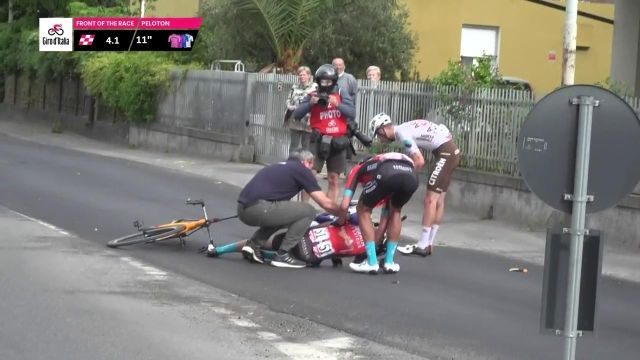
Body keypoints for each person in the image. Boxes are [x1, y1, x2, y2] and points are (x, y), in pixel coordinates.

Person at [368, 113, 460, 257]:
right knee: (439, 200)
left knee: (430, 200)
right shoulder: (403, 128)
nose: (381, 140)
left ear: (382, 130)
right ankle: (428, 243)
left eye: (379, 136)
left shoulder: (402, 134)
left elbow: (419, 161)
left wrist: (402, 178)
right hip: (450, 151)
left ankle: (422, 245)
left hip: (445, 153)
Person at [237, 150, 346, 268]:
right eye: (312, 167)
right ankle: (283, 254)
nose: (312, 172)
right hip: (259, 209)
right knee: (308, 211)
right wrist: (344, 213)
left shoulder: (278, 166)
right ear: (308, 162)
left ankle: (254, 244)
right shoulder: (302, 170)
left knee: (287, 212)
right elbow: (326, 203)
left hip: (243, 209)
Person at [340, 152, 419, 274]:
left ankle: (371, 263)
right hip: (411, 175)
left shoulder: (358, 169)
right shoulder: (379, 162)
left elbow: (345, 205)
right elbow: (383, 225)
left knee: (362, 209)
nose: (363, 185)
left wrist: (340, 221)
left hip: (387, 173)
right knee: (396, 211)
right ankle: (389, 262)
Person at [292, 64, 356, 203]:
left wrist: (337, 103)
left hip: (337, 140)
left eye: (328, 81)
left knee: (334, 178)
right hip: (318, 138)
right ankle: (304, 208)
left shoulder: (341, 93)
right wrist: (311, 103)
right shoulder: (313, 94)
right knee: (310, 174)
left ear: (333, 81)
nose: (325, 84)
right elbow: (296, 114)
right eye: (322, 81)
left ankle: (329, 211)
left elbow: (352, 112)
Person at [285, 66, 317, 154]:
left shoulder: (315, 87)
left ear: (309, 76)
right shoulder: (294, 86)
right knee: (293, 145)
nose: (302, 77)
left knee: (306, 146)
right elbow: (289, 98)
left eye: (304, 75)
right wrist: (289, 106)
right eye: (300, 75)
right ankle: (291, 164)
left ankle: (304, 165)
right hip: (295, 119)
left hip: (308, 120)